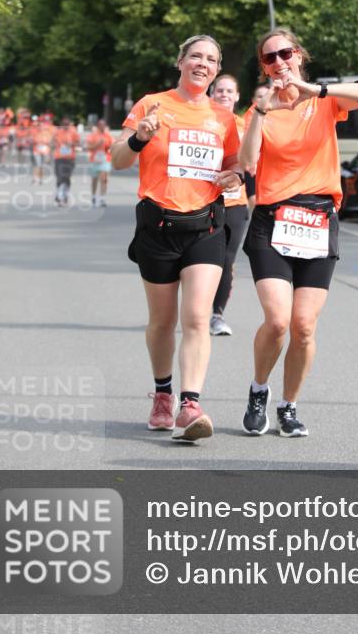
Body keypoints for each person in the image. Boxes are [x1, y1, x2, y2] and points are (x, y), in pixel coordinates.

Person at [239, 27, 358, 437]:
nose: (279, 62)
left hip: (317, 220)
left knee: (303, 326)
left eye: (285, 53)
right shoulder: (259, 110)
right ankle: (258, 390)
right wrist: (261, 111)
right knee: (278, 321)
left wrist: (313, 89)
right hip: (272, 220)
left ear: (298, 55)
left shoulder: (325, 99)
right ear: (264, 68)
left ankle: (289, 405)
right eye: (270, 58)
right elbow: (247, 161)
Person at [111, 35, 243, 442]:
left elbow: (235, 164)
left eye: (211, 60)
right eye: (195, 56)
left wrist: (236, 176)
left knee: (198, 318)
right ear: (180, 62)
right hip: (158, 228)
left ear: (217, 70)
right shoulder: (152, 104)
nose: (202, 64)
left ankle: (190, 404)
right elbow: (117, 159)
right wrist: (140, 136)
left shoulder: (223, 118)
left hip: (205, 227)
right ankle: (163, 394)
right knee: (162, 322)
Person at [209, 74, 250, 336]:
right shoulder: (202, 120)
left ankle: (216, 315)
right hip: (204, 201)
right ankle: (195, 309)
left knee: (226, 260)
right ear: (212, 93)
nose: (224, 94)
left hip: (235, 203)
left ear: (237, 96)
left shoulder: (246, 125)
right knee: (198, 261)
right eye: (220, 90)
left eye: (229, 91)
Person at [245, 84, 270, 212]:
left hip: (271, 171)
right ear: (253, 100)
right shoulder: (249, 116)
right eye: (260, 96)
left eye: (267, 96)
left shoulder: (281, 117)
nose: (264, 99)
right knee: (254, 202)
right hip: (252, 168)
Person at [53, 117, 80, 206]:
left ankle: (64, 194)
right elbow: (52, 142)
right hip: (59, 157)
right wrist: (54, 144)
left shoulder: (73, 132)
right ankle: (60, 194)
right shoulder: (57, 132)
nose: (66, 126)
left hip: (70, 158)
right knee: (60, 176)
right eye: (64, 124)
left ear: (70, 124)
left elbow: (78, 143)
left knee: (67, 177)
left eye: (67, 124)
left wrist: (72, 144)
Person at [87, 119, 113, 207]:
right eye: (100, 125)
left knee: (104, 179)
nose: (102, 126)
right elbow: (89, 147)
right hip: (94, 160)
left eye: (103, 125)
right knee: (94, 180)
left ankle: (102, 199)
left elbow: (112, 147)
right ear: (98, 126)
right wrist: (97, 144)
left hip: (105, 160)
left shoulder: (108, 135)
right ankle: (94, 196)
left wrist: (109, 147)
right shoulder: (93, 135)